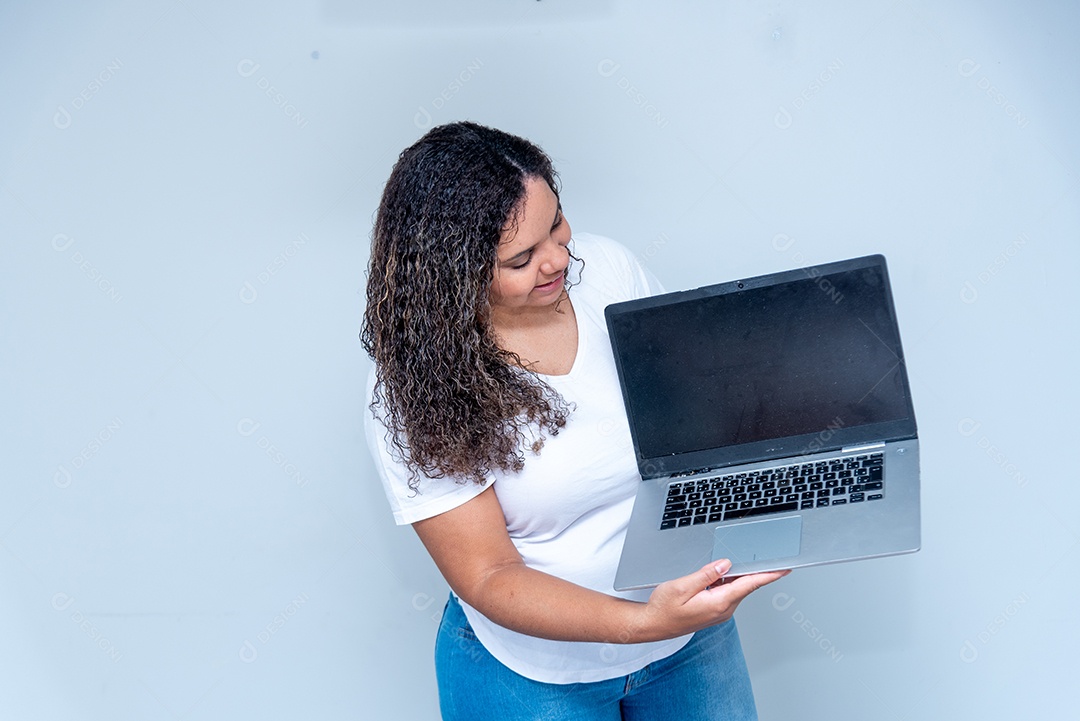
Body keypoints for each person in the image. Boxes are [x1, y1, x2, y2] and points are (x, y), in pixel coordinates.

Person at [361, 121, 788, 720]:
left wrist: (780, 495)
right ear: (451, 274)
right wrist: (642, 622)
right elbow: (488, 576)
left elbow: (688, 426)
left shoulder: (608, 271)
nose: (560, 259)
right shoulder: (418, 393)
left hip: (688, 632)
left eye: (557, 223)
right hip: (532, 674)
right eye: (521, 258)